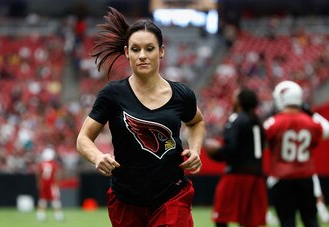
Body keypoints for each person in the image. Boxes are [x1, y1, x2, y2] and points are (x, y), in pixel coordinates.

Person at [76, 7, 205, 227]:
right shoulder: (112, 94)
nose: (142, 55)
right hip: (126, 200)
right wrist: (98, 157)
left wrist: (195, 149)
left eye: (149, 48)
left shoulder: (182, 95)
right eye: (135, 49)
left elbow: (196, 122)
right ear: (127, 53)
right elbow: (83, 139)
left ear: (161, 51)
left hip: (172, 196)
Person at [263, 80, 329, 227]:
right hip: (306, 178)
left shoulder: (274, 122)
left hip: (282, 179)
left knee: (287, 222)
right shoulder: (310, 122)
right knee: (311, 221)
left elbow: (261, 140)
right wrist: (309, 113)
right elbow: (326, 130)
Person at [204, 88, 268, 227]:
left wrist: (216, 152)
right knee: (250, 221)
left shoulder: (237, 119)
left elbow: (231, 148)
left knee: (221, 217)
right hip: (257, 176)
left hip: (237, 174)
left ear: (239, 101)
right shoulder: (257, 121)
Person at [36, 147, 64, 222]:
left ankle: (40, 216)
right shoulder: (53, 164)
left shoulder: (41, 164)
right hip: (51, 185)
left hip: (44, 184)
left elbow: (38, 175)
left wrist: (39, 183)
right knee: (55, 200)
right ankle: (59, 216)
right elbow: (55, 175)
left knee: (43, 200)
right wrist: (57, 183)